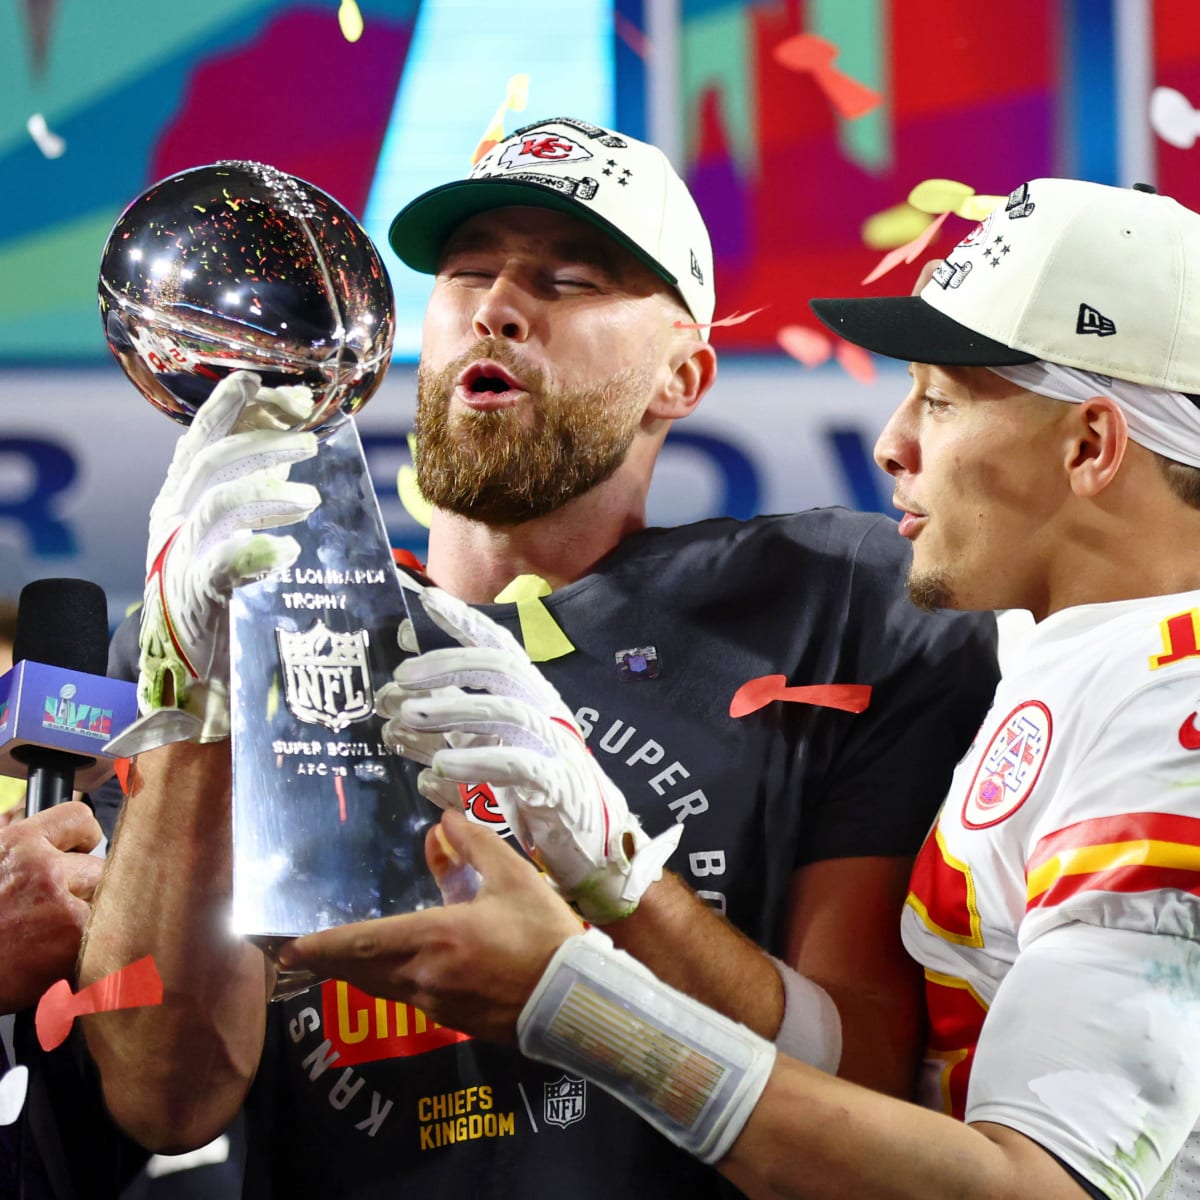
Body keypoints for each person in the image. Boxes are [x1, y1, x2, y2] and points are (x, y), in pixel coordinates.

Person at [78, 118, 997, 1197]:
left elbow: (863, 1078)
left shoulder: (834, 600)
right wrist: (202, 702)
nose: (496, 307)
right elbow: (165, 1096)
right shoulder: (224, 623)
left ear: (682, 376)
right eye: (467, 274)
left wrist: (618, 879)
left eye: (566, 280)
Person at [272, 176, 1200, 1200]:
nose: (892, 442)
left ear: (1091, 445)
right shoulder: (1095, 671)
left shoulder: (1174, 713)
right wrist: (618, 877)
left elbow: (1039, 1193)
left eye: (939, 396)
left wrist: (572, 999)